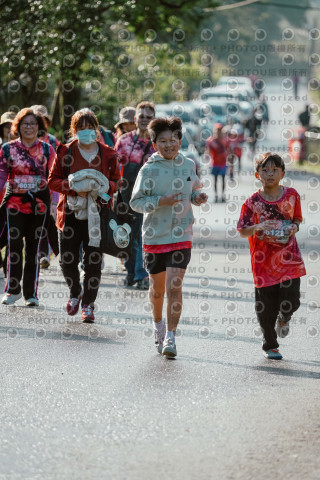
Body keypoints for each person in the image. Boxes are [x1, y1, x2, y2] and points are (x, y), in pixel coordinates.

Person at [130, 117, 208, 357]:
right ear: (155, 144)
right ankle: (158, 326)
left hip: (182, 234)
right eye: (162, 141)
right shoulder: (149, 169)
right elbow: (135, 202)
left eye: (173, 140)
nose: (168, 144)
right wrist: (159, 201)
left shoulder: (188, 165)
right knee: (157, 290)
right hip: (154, 236)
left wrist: (198, 198)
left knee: (175, 286)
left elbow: (193, 189)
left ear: (180, 141)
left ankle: (171, 338)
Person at [47, 108, 120, 323]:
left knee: (93, 262)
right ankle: (75, 291)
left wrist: (104, 189)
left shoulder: (108, 154)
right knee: (67, 260)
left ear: (97, 130)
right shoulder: (64, 152)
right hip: (70, 212)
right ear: (74, 130)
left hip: (98, 212)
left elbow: (117, 182)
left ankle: (88, 304)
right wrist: (72, 188)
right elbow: (52, 181)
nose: (86, 132)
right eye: (81, 128)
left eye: (90, 128)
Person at [237, 152, 306, 360]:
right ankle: (270, 344)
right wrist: (257, 226)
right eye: (265, 170)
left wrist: (294, 227)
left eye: (275, 170)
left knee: (292, 300)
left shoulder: (292, 195)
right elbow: (242, 229)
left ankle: (284, 318)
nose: (270, 174)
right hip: (263, 263)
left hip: (289, 260)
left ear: (282, 173)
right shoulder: (252, 202)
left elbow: (297, 219)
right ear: (257, 174)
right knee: (266, 307)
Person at [0, 108, 56, 306]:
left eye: (33, 123)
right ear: (18, 126)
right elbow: (1, 174)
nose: (29, 127)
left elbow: (54, 177)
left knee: (33, 250)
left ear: (39, 127)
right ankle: (12, 290)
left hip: (39, 206)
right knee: (14, 246)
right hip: (14, 205)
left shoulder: (48, 150)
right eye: (25, 123)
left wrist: (55, 203)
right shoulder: (7, 149)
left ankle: (30, 294)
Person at [115, 101, 156, 289]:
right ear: (135, 118)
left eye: (149, 118)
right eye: (142, 117)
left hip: (146, 196)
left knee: (141, 235)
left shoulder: (157, 144)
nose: (144, 120)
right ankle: (131, 273)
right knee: (125, 236)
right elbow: (114, 169)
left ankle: (141, 274)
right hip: (124, 194)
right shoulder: (124, 141)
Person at [31, 105, 60, 269]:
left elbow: (58, 167)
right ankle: (41, 254)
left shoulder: (53, 141)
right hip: (28, 189)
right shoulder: (22, 141)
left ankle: (52, 254)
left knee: (48, 223)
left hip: (49, 190)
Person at [205, 123, 229, 202]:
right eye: (217, 130)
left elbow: (228, 150)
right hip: (215, 163)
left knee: (223, 179)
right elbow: (207, 151)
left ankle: (222, 196)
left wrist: (230, 160)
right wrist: (206, 157)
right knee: (215, 180)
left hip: (223, 163)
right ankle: (216, 196)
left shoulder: (225, 140)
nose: (218, 132)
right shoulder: (210, 141)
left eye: (220, 130)